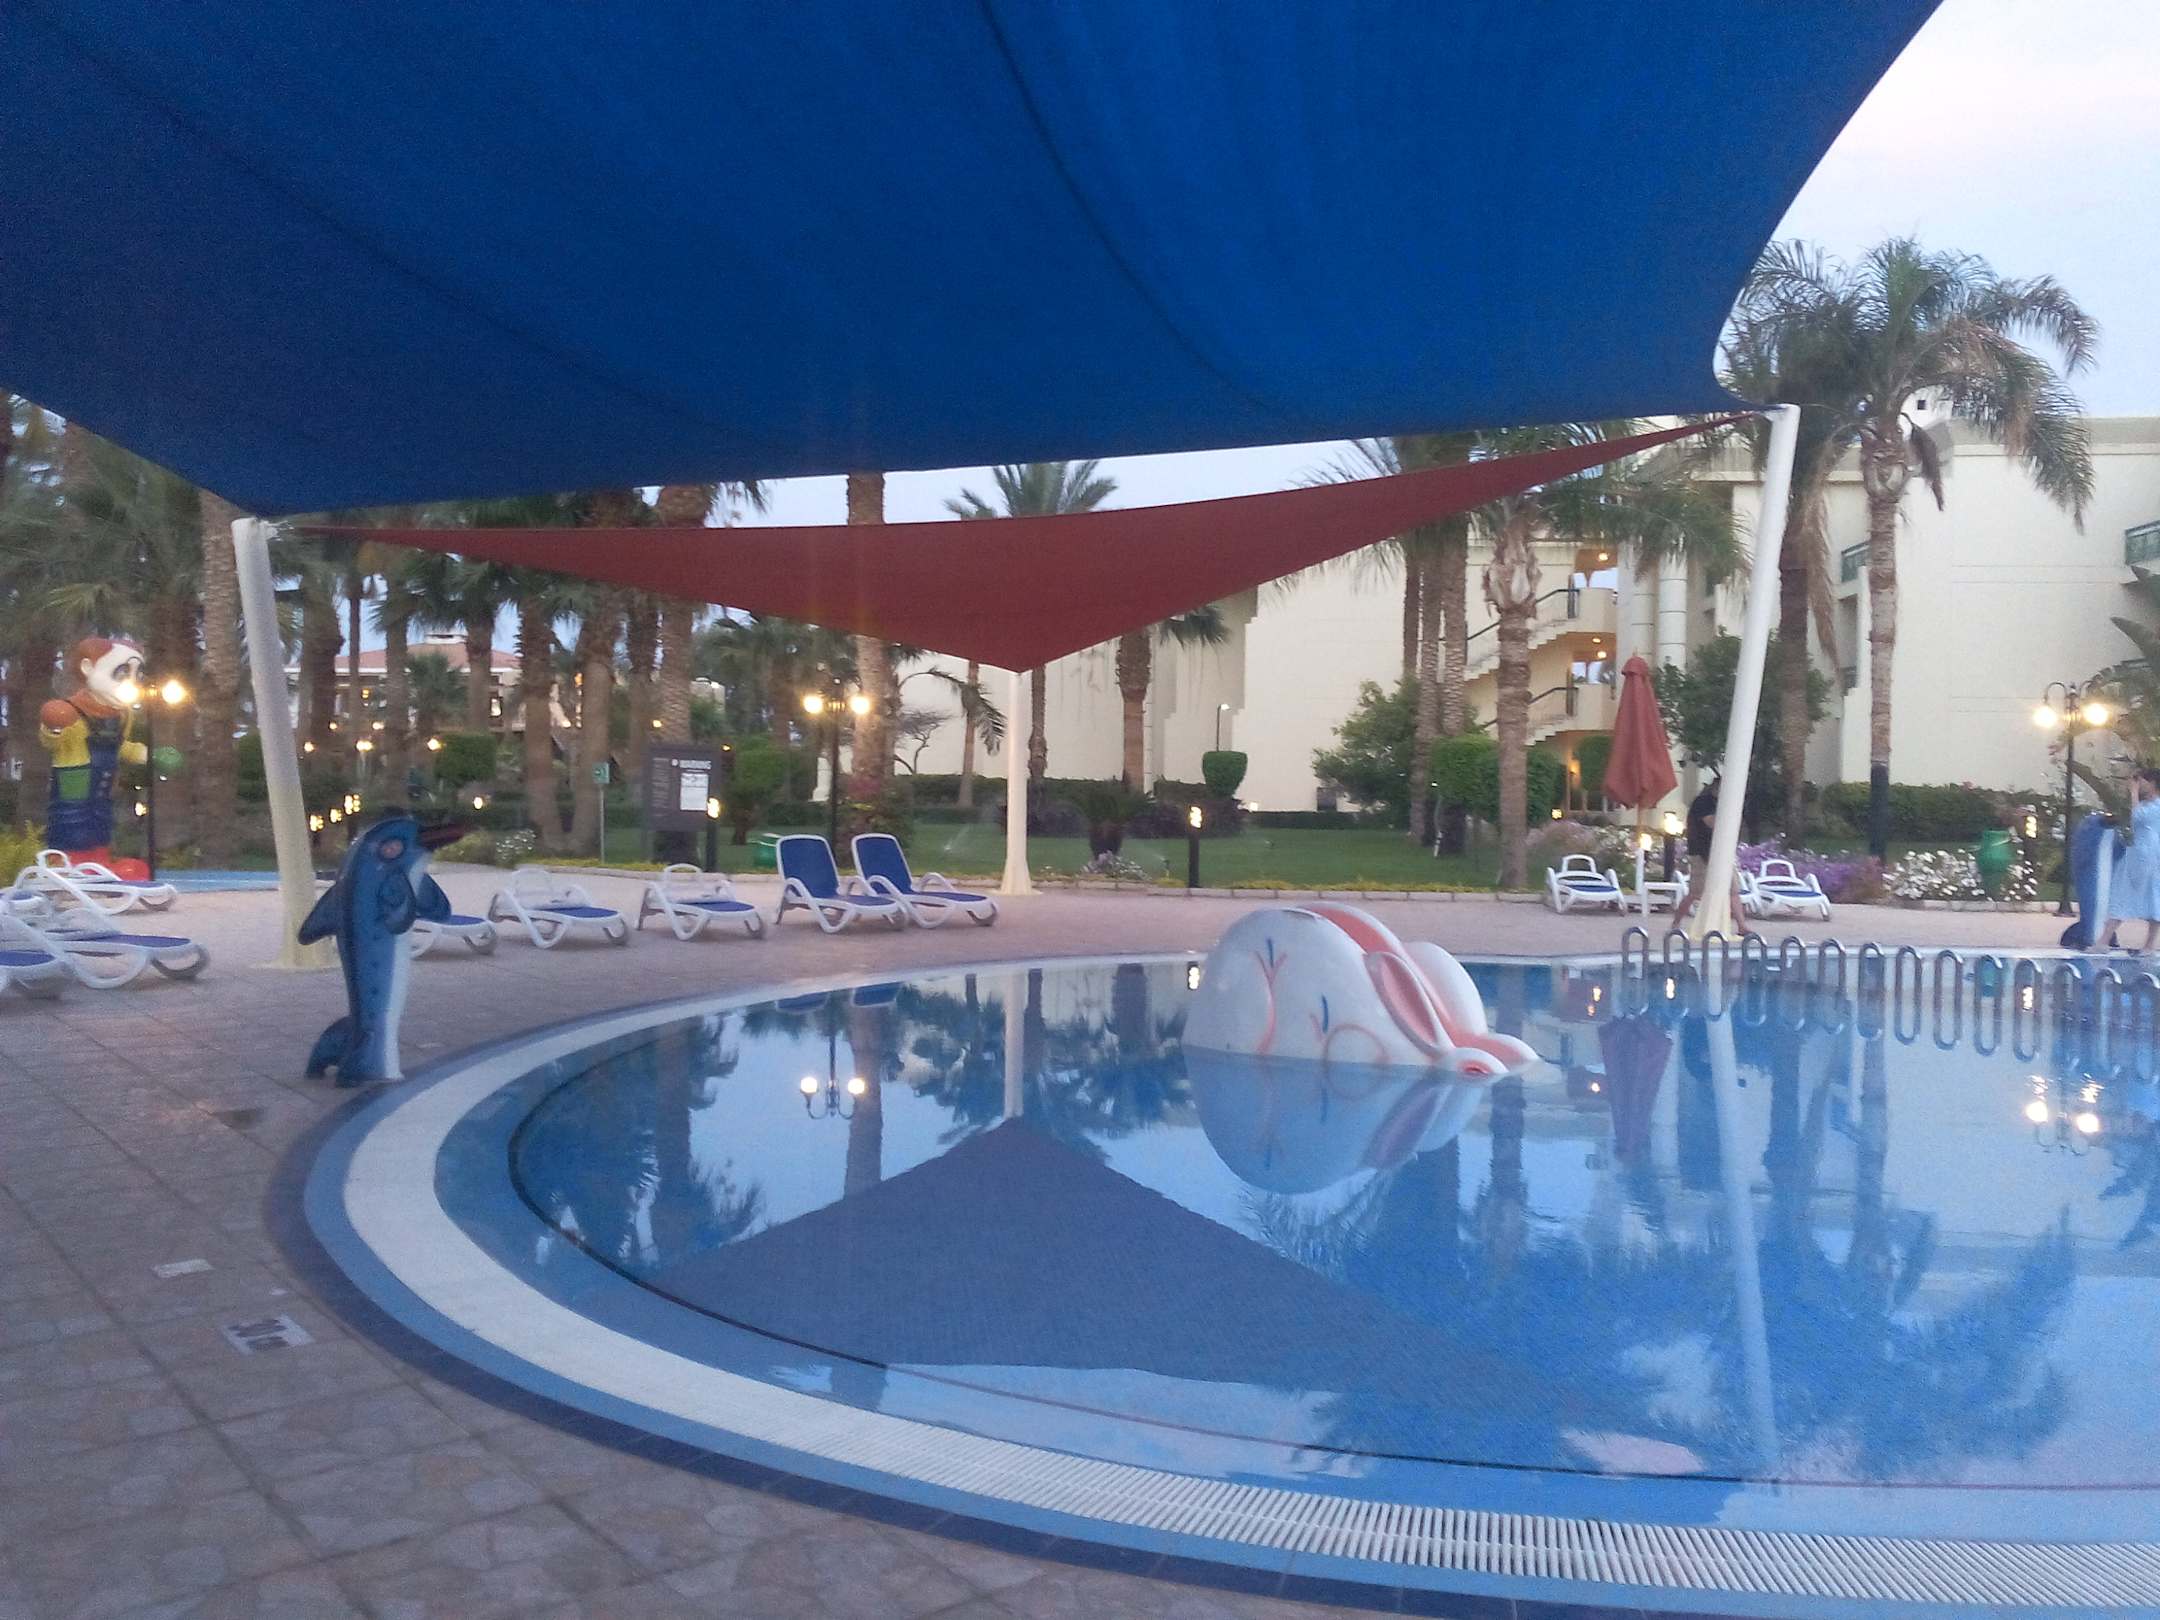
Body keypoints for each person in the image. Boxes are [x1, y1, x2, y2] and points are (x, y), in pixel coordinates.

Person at [1673, 776, 1747, 932]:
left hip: (1722, 852)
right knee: (1696, 892)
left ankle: (1742, 926)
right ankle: (1676, 922)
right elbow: (1711, 822)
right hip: (1702, 852)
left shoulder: (1720, 803)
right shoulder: (1703, 802)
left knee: (1733, 889)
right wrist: (1726, 810)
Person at [2102, 769, 2160, 954]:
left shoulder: (2156, 806)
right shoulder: (2145, 805)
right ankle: (2103, 941)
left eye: (2142, 781)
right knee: (2122, 892)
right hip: (2137, 852)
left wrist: (2133, 793)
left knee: (2153, 895)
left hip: (2151, 855)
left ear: (2152, 783)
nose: (2139, 785)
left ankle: (2149, 944)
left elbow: (2138, 817)